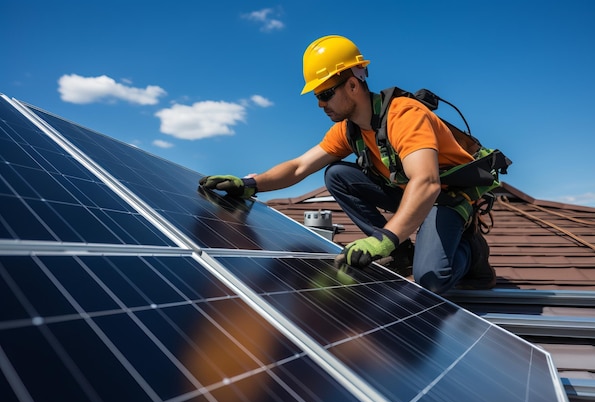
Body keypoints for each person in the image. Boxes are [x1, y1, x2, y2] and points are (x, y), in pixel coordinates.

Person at [199, 35, 496, 294]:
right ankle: (402, 254)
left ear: (353, 85)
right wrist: (251, 184)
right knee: (338, 174)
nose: (320, 104)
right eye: (317, 97)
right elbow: (300, 166)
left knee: (432, 280)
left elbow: (427, 182)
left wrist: (384, 239)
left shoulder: (404, 115)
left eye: (325, 94)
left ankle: (471, 251)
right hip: (411, 195)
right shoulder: (348, 129)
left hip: (445, 198)